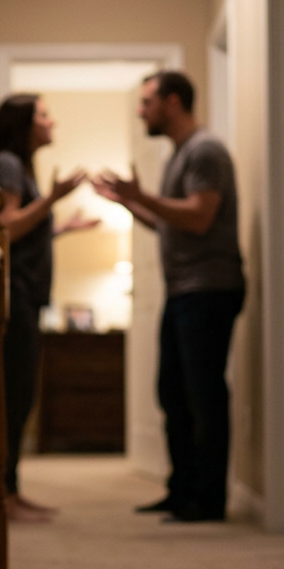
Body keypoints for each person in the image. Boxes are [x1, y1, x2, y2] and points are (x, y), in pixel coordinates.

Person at [93, 71, 244, 522]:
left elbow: (198, 218)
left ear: (172, 102)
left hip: (209, 289)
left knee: (203, 396)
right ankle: (182, 491)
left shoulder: (205, 151)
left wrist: (145, 197)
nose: (141, 110)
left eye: (147, 102)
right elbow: (173, 222)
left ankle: (208, 500)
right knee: (173, 394)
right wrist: (131, 205)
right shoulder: (183, 155)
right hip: (185, 291)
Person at [0, 94, 98, 523]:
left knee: (21, 396)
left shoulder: (15, 166)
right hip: (13, 299)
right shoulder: (8, 165)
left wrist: (61, 226)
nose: (52, 122)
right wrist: (53, 199)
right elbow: (4, 227)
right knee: (13, 397)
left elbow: (23, 233)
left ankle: (11, 490)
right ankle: (2, 495)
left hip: (26, 294)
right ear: (25, 123)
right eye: (44, 115)